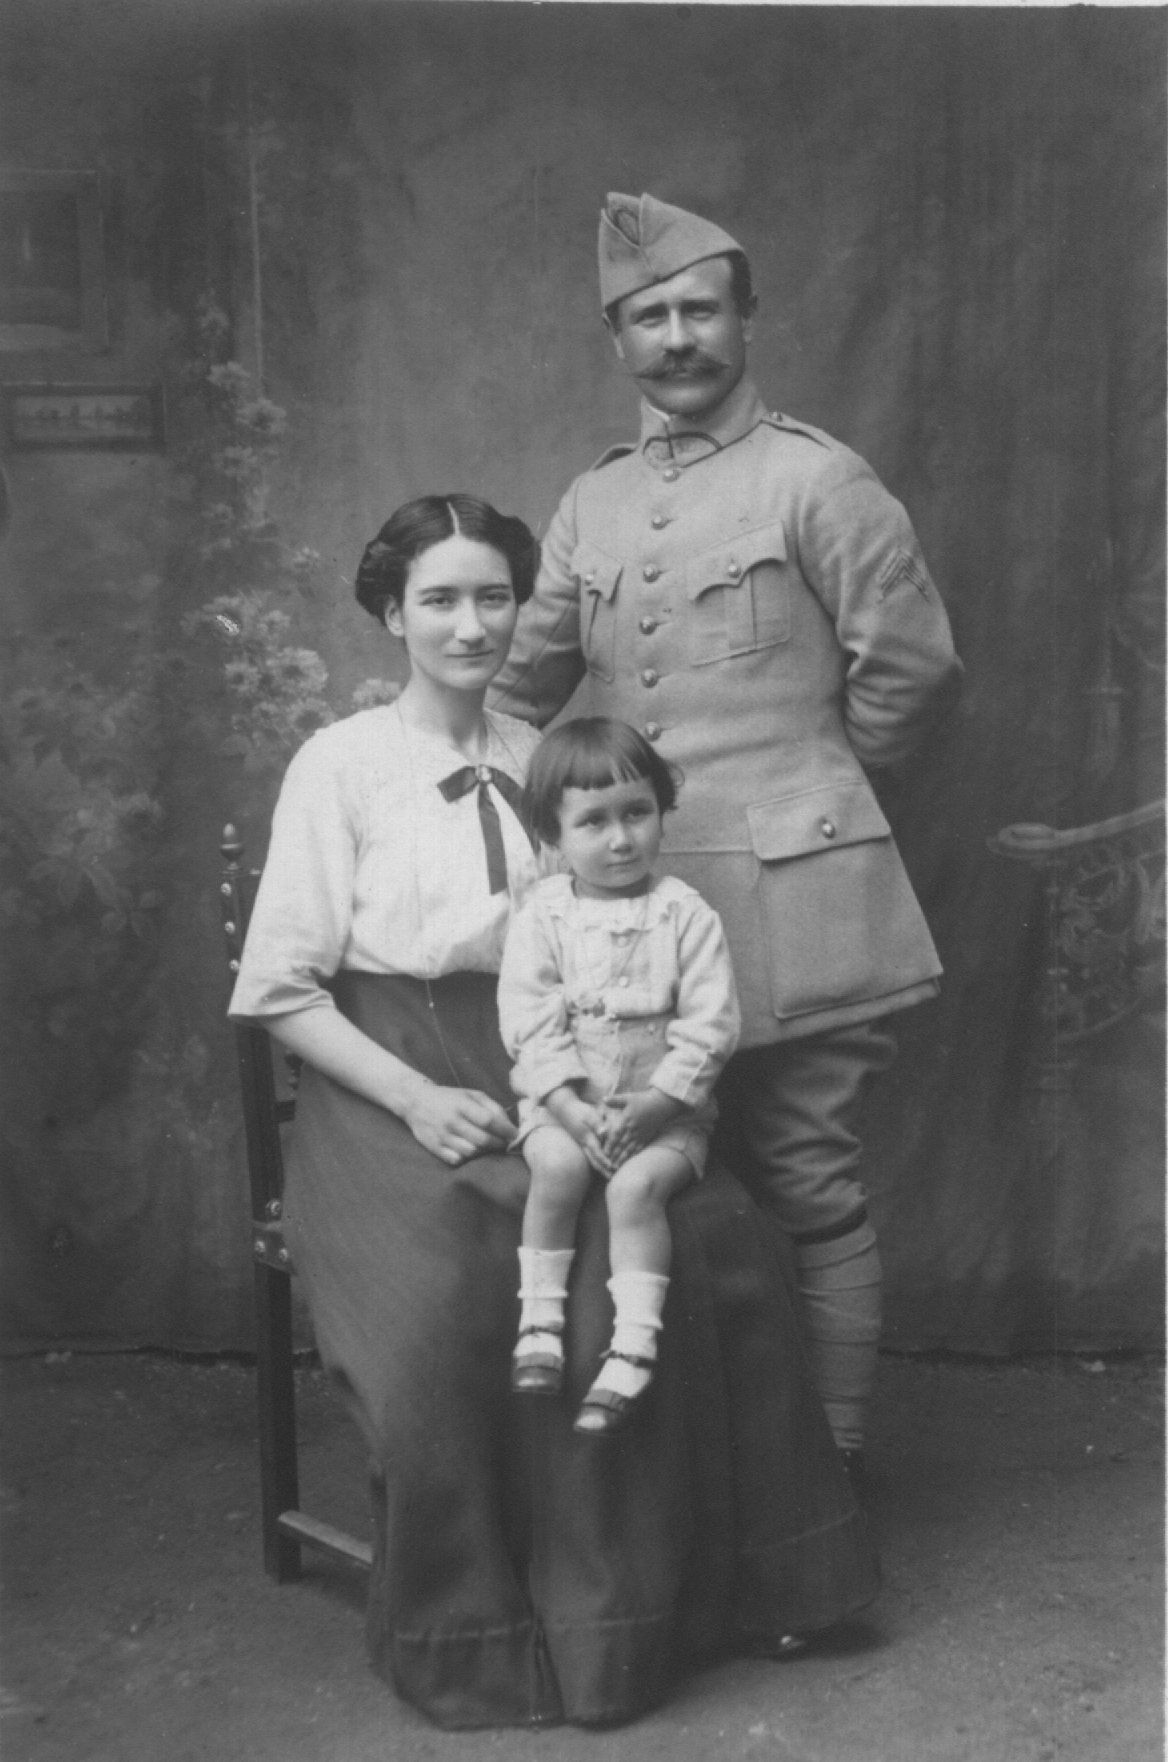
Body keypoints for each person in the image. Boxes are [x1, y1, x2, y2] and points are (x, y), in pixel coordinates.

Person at [228, 491, 878, 1731]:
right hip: (387, 1075)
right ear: (391, 615)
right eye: (438, 600)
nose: (470, 625)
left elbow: (623, 936)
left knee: (714, 1227)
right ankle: (496, 1625)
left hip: (560, 1060)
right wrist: (419, 1098)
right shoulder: (341, 764)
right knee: (463, 1273)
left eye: (493, 597)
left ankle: (699, 1599)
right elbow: (277, 990)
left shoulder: (546, 751)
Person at [490, 192, 963, 1482]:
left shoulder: (817, 478)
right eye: (649, 316)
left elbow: (911, 670)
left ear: (746, 319)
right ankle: (703, 1485)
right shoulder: (591, 501)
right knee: (650, 1182)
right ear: (617, 339)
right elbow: (524, 682)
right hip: (619, 920)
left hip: (797, 902)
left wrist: (816, 790)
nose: (678, 337)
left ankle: (835, 1468)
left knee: (804, 1174)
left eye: (701, 309)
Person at [498, 717, 740, 1435]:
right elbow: (530, 1020)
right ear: (552, 833)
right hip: (567, 1108)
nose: (621, 839)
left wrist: (658, 1105)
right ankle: (539, 1324)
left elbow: (711, 1026)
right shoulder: (542, 916)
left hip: (666, 1119)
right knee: (556, 1167)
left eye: (637, 813)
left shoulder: (686, 915)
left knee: (634, 1190)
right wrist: (570, 1109)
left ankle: (633, 1346)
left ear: (662, 810)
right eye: (593, 822)